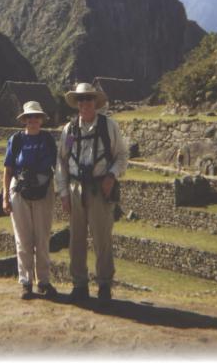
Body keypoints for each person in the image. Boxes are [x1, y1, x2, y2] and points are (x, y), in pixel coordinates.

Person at [55, 83, 128, 305]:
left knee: (102, 238)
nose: (85, 104)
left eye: (89, 99)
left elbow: (122, 156)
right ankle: (79, 285)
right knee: (76, 239)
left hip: (100, 190)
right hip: (76, 189)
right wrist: (64, 193)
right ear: (77, 104)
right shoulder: (70, 131)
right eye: (81, 100)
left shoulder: (109, 127)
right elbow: (62, 160)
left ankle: (104, 285)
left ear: (96, 103)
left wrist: (111, 176)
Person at [2, 101, 58, 300]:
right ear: (24, 120)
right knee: (23, 238)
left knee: (42, 238)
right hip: (19, 191)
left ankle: (43, 281)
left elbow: (56, 166)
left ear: (41, 119)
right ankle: (26, 282)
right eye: (29, 117)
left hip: (43, 191)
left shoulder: (48, 140)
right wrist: (5, 198)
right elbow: (8, 170)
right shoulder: (16, 140)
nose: (33, 120)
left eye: (36, 117)